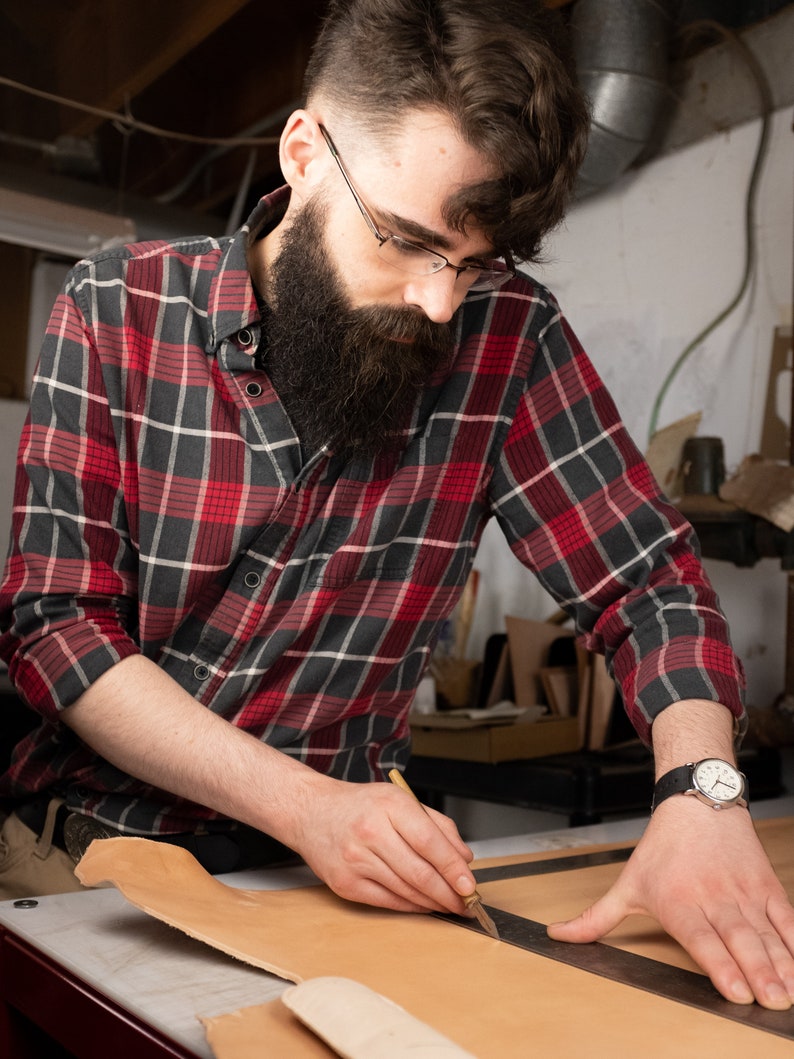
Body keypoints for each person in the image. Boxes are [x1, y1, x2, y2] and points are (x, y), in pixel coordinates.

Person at [0, 0, 792, 1012]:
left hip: (340, 880)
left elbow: (646, 581)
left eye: (474, 259)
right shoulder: (116, 306)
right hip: (92, 855)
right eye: (407, 242)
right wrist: (308, 807)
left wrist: (700, 791)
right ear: (303, 152)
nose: (439, 303)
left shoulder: (508, 336)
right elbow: (57, 627)